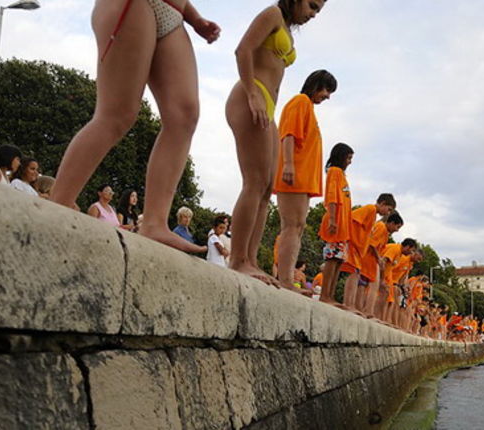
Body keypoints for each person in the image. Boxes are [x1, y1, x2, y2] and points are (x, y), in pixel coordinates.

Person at [50, 0, 220, 254]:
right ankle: (58, 203)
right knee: (117, 114)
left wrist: (194, 18)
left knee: (184, 116)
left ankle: (155, 223)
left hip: (175, 10)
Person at [226, 0, 326, 285]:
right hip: (252, 93)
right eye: (311, 5)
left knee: (267, 186)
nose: (312, 14)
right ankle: (237, 259)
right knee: (254, 181)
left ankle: (251, 259)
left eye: (317, 10)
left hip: (267, 104)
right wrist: (251, 93)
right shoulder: (272, 14)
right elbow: (242, 49)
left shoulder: (288, 32)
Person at [274, 70, 337, 290]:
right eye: (327, 90)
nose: (327, 96)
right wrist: (289, 165)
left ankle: (286, 277)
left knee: (297, 227)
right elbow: (289, 134)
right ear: (316, 85)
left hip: (304, 178)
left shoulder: (308, 107)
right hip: (295, 174)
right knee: (292, 226)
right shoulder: (300, 101)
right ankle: (285, 280)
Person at [340, 194, 396, 311]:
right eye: (388, 209)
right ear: (382, 203)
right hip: (353, 244)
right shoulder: (371, 209)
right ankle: (348, 304)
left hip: (357, 247)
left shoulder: (373, 215)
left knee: (355, 276)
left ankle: (349, 304)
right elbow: (352, 220)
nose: (387, 212)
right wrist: (350, 240)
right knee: (354, 275)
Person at [318, 143, 353, 305]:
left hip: (343, 228)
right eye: (348, 158)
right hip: (335, 222)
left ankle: (330, 295)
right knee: (332, 260)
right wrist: (332, 219)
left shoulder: (342, 175)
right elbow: (331, 196)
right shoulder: (335, 172)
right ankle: (324, 294)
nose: (350, 162)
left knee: (338, 261)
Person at [360, 212, 404, 317]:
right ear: (391, 222)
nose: (397, 230)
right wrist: (379, 259)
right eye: (397, 227)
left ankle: (365, 310)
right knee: (372, 287)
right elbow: (373, 244)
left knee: (363, 285)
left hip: (370, 259)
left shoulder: (384, 231)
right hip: (369, 259)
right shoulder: (381, 227)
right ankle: (367, 311)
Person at [379, 238, 417, 324]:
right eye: (412, 250)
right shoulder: (398, 252)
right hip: (386, 277)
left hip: (390, 279)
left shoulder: (408, 262)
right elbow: (385, 262)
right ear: (408, 247)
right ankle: (382, 318)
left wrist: (403, 286)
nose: (411, 253)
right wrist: (383, 279)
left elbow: (403, 276)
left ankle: (387, 319)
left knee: (391, 300)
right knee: (387, 297)